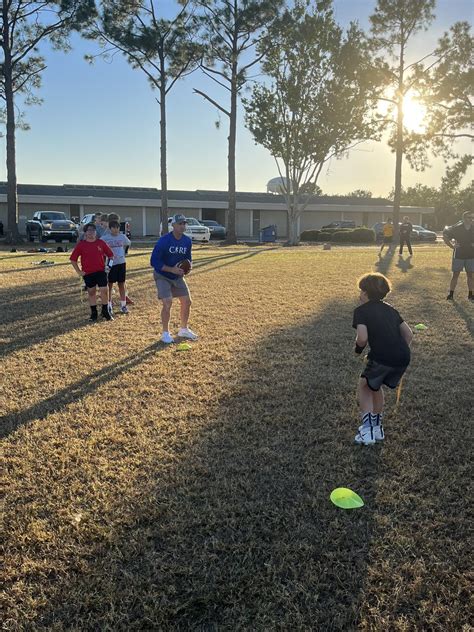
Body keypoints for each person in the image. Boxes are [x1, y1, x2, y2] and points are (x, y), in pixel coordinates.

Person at [352, 273, 413, 445]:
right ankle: (377, 428)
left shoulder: (361, 311)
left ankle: (367, 431)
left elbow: (362, 338)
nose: (359, 294)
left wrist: (357, 349)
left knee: (364, 386)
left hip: (382, 357)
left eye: (360, 291)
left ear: (365, 293)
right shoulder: (391, 309)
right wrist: (398, 352)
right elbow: (408, 334)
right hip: (402, 357)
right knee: (375, 386)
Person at [150, 213, 198, 343]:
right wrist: (171, 269)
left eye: (184, 223)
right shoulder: (164, 240)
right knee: (167, 301)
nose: (182, 226)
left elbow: (188, 259)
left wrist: (188, 267)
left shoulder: (187, 241)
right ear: (173, 225)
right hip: (162, 275)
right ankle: (165, 333)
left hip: (177, 276)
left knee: (187, 301)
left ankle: (183, 329)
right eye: (180, 224)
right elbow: (154, 261)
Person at [70, 223, 114, 322]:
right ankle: (94, 313)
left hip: (100, 271)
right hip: (88, 273)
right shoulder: (81, 245)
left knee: (104, 290)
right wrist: (79, 271)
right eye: (89, 230)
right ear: (85, 233)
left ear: (96, 232)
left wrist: (109, 266)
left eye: (93, 230)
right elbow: (73, 259)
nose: (91, 232)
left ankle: (105, 311)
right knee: (91, 292)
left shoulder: (101, 243)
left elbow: (111, 255)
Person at [101, 220, 131, 314]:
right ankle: (109, 305)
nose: (116, 229)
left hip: (121, 262)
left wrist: (124, 252)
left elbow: (128, 243)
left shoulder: (122, 237)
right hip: (111, 263)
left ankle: (123, 305)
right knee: (109, 284)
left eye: (117, 227)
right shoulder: (105, 238)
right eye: (113, 227)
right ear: (110, 229)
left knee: (121, 284)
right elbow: (99, 245)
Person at [443, 210, 474, 301]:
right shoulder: (457, 228)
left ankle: (471, 295)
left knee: (471, 275)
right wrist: (452, 246)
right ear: (464, 218)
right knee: (455, 275)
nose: (472, 219)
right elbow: (445, 235)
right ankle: (451, 294)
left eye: (473, 217)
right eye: (469, 217)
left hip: (471, 256)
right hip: (459, 255)